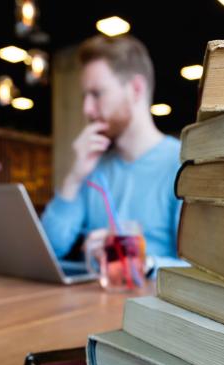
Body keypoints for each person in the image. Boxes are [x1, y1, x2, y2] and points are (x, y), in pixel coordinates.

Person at [41, 34, 182, 265]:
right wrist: (74, 177)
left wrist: (140, 261)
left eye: (97, 94)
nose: (87, 109)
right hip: (94, 298)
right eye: (84, 96)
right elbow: (49, 249)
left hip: (149, 299)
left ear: (135, 89)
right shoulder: (93, 166)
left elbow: (203, 271)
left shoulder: (181, 164)